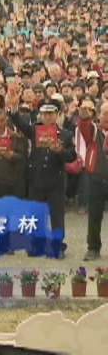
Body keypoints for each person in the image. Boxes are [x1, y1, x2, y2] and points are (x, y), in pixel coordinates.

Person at [8, 89, 75, 259]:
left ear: (57, 115)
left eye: (51, 114)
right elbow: (20, 123)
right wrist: (14, 107)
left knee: (57, 215)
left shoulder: (66, 134)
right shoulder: (35, 129)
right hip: (36, 179)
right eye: (44, 114)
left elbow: (72, 156)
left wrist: (60, 152)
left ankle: (58, 245)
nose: (47, 117)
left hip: (56, 181)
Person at [68, 99, 107, 261]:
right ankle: (93, 248)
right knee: (94, 216)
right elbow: (84, 126)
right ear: (98, 115)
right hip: (97, 178)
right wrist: (83, 115)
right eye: (105, 113)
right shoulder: (94, 130)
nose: (107, 116)